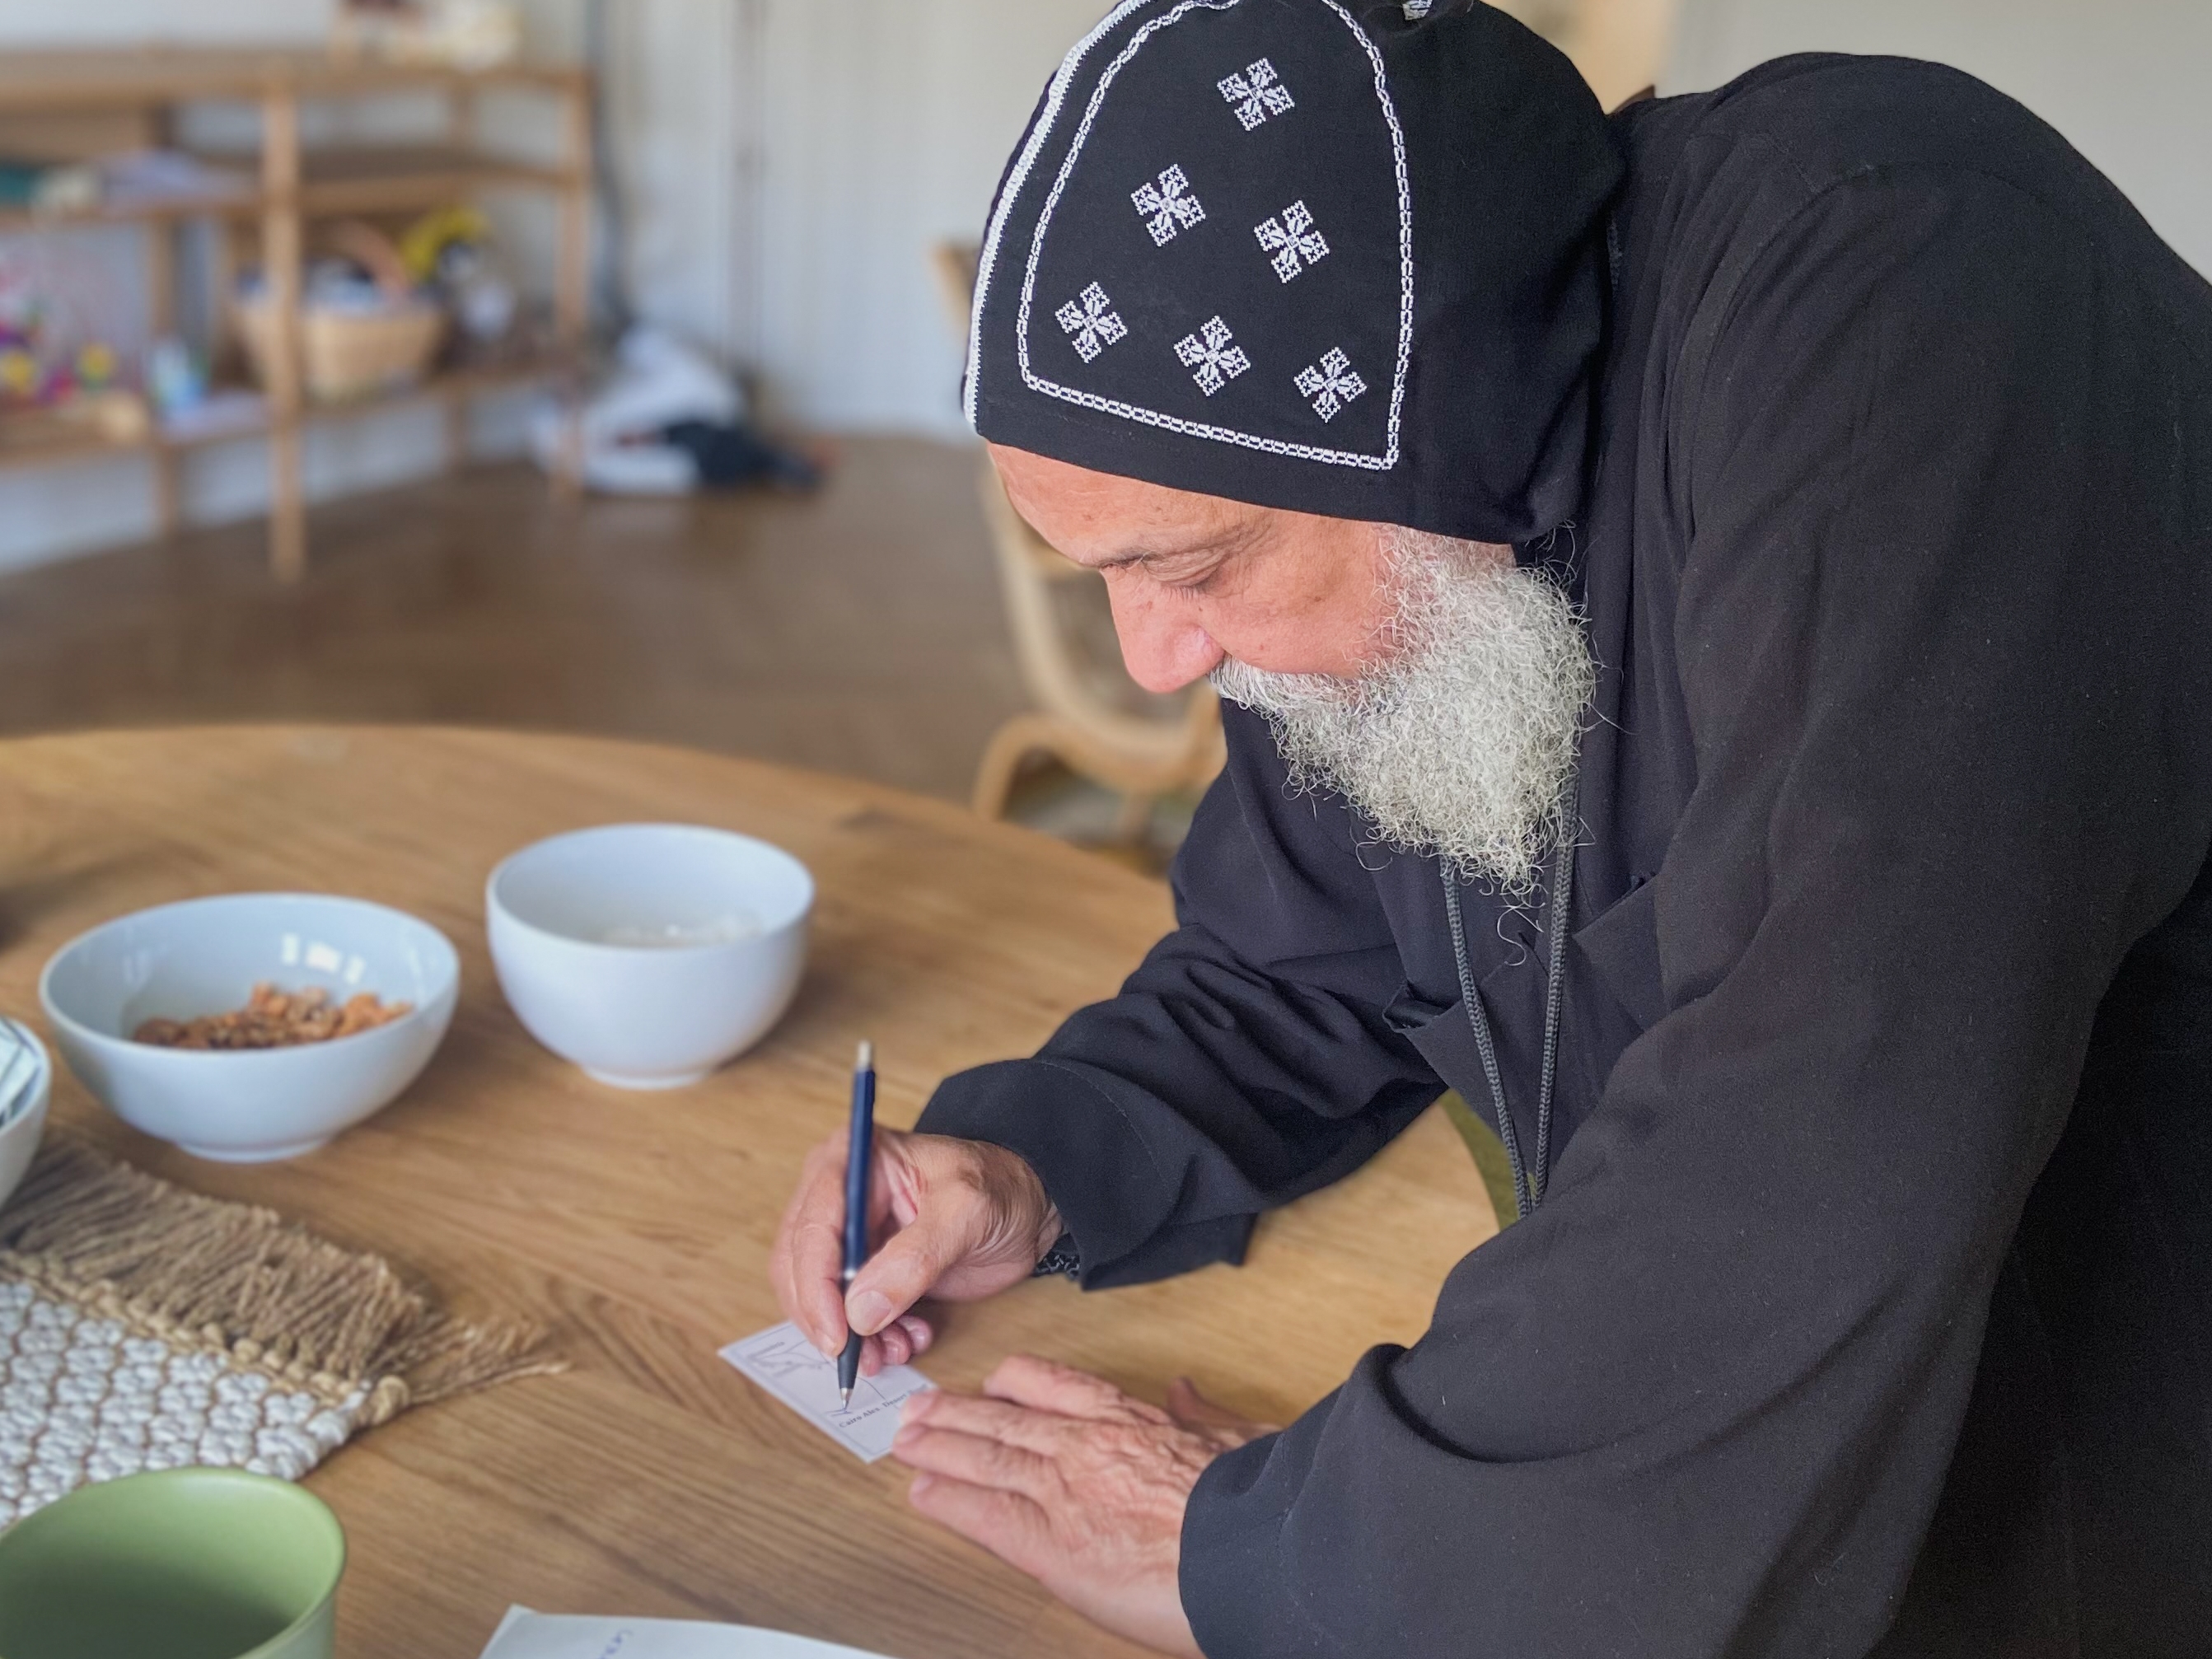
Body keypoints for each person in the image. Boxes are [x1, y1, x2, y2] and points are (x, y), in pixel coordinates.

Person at [770, 2, 2212, 1652]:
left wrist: (1274, 1551)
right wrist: (1039, 1155)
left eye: (1184, 568)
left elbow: (1817, 1123)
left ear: (1430, 431)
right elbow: (1300, 955)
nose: (1150, 658)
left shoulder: (1902, 295)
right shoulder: (1407, 528)